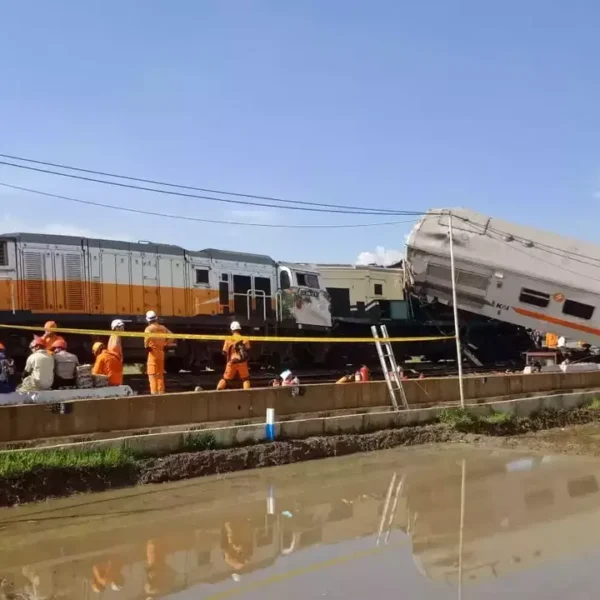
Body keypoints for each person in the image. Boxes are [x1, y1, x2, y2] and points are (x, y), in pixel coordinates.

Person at [144, 311, 172, 395]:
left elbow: (147, 338)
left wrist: (146, 346)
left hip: (153, 354)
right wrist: (166, 344)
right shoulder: (163, 328)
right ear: (156, 318)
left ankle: (154, 394)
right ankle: (161, 393)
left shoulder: (149, 329)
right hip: (161, 354)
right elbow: (172, 336)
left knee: (152, 374)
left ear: (148, 320)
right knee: (160, 374)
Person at [217, 322, 251, 390]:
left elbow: (224, 352)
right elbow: (248, 349)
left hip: (232, 362)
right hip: (242, 362)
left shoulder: (228, 339)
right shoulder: (245, 338)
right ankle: (247, 394)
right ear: (239, 329)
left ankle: (218, 391)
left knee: (225, 379)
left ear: (231, 330)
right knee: (245, 379)